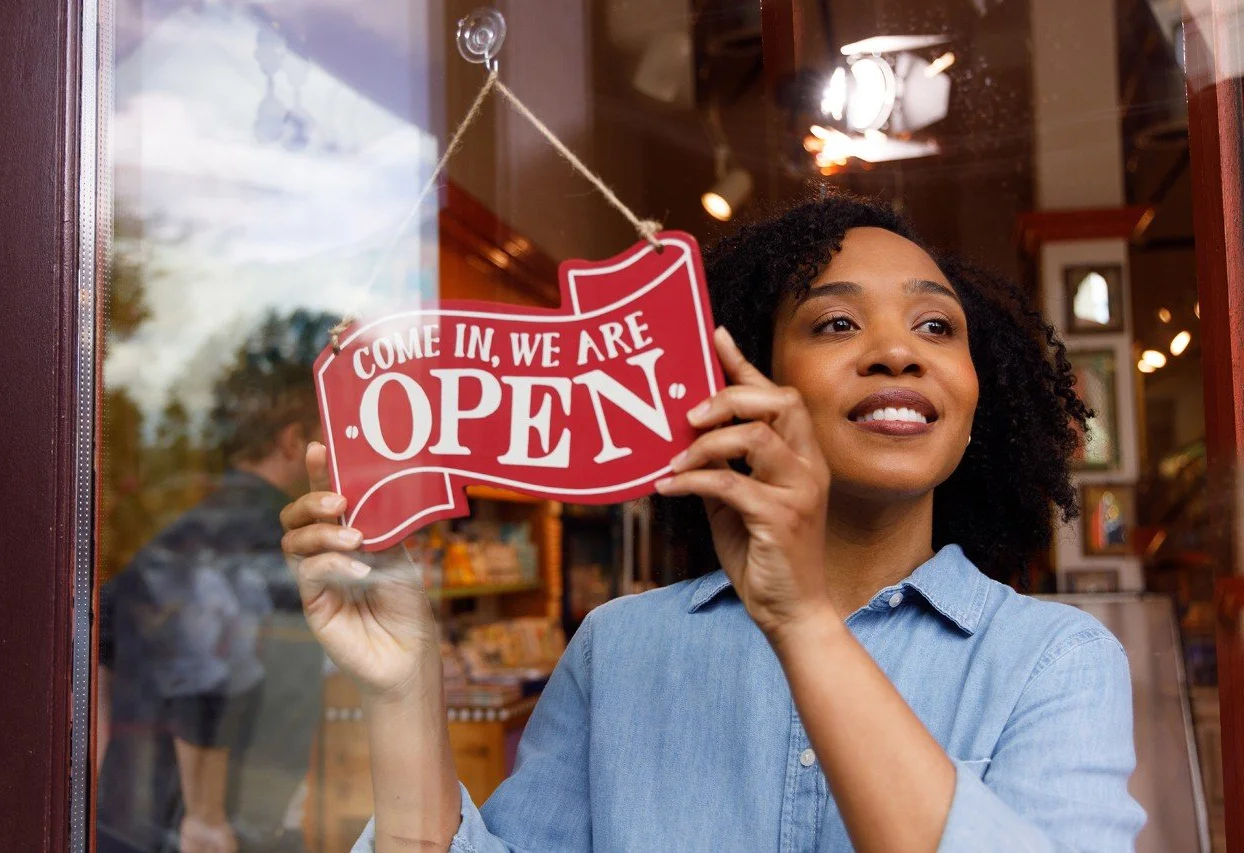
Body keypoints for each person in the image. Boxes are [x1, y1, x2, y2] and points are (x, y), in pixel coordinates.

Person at [280, 192, 1146, 851]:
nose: (897, 349)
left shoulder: (1054, 664)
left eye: (936, 324)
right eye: (836, 320)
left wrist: (802, 617)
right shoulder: (618, 651)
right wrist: (402, 689)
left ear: (975, 398)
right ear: (743, 384)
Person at [99, 311, 332, 853]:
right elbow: (203, 664)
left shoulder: (182, 529)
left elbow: (101, 650)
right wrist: (204, 817)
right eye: (326, 438)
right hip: (211, 834)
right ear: (294, 440)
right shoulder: (261, 533)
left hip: (132, 818)